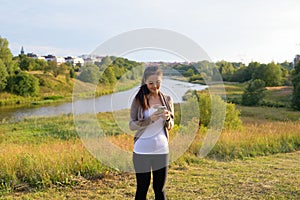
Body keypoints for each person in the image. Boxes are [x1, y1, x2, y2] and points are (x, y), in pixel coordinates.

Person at [129, 66, 174, 200]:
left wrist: (167, 119)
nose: (155, 86)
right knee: (142, 189)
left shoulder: (167, 99)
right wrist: (149, 120)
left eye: (158, 82)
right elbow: (132, 125)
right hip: (142, 151)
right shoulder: (138, 100)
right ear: (145, 82)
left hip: (162, 150)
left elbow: (171, 125)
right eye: (151, 83)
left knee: (160, 190)